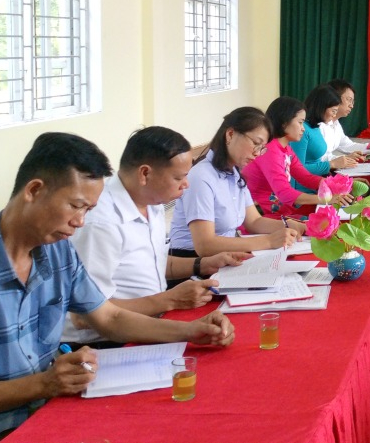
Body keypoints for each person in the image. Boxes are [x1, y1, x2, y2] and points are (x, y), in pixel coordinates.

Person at [0, 133, 234, 442]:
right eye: (76, 206)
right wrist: (43, 385)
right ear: (34, 190)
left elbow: (108, 317)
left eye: (88, 210)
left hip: (53, 410)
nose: (81, 222)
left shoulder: (59, 252)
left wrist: (192, 331)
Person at [62, 127, 252, 347]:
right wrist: (169, 300)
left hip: (150, 323)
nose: (186, 185)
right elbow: (85, 316)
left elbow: (154, 262)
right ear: (145, 174)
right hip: (105, 343)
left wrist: (202, 264)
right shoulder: (101, 223)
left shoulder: (152, 203)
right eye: (179, 177)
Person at [167, 107, 304, 258]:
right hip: (193, 263)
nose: (257, 153)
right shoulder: (201, 177)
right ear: (230, 134)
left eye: (262, 148)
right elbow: (205, 245)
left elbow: (254, 221)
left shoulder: (235, 174)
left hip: (224, 258)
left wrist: (289, 225)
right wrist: (268, 241)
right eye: (255, 143)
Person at [242, 97, 353, 217]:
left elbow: (305, 177)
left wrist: (337, 186)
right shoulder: (270, 151)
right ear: (284, 122)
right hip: (262, 216)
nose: (303, 128)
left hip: (279, 212)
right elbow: (284, 193)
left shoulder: (285, 148)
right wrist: (325, 199)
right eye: (300, 122)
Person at [317, 79, 370, 167]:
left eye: (353, 102)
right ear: (334, 97)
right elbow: (317, 159)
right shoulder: (319, 125)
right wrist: (345, 158)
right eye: (349, 100)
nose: (351, 106)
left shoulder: (335, 123)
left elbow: (347, 145)